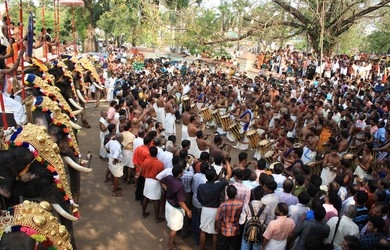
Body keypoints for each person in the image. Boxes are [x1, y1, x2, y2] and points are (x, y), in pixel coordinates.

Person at [198, 157, 233, 250]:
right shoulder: (218, 185)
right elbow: (229, 174)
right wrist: (226, 161)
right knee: (215, 233)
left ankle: (201, 248)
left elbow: (199, 198)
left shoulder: (201, 186)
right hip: (215, 211)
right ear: (214, 177)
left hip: (205, 209)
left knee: (203, 231)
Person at [160, 165, 192, 250]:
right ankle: (169, 246)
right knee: (174, 229)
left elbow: (162, 181)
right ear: (179, 174)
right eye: (182, 172)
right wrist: (188, 211)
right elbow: (181, 202)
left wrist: (167, 189)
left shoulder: (170, 177)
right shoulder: (180, 185)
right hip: (175, 209)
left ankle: (172, 244)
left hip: (168, 204)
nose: (183, 172)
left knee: (172, 226)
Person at [239, 186, 271, 250]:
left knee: (245, 246)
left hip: (247, 229)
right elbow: (267, 223)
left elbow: (241, 222)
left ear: (253, 194)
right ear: (263, 195)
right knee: (256, 247)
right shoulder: (267, 208)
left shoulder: (247, 205)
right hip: (259, 230)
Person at [214, 185, 244, 250]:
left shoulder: (222, 205)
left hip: (224, 231)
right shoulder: (241, 204)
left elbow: (217, 219)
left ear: (227, 194)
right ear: (236, 194)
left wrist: (216, 227)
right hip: (235, 231)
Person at [141, 146, 165, 223]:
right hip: (156, 182)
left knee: (146, 197)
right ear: (157, 153)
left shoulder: (146, 161)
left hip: (147, 180)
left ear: (150, 153)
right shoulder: (160, 164)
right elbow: (161, 175)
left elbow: (142, 171)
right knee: (156, 200)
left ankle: (143, 213)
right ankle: (157, 218)